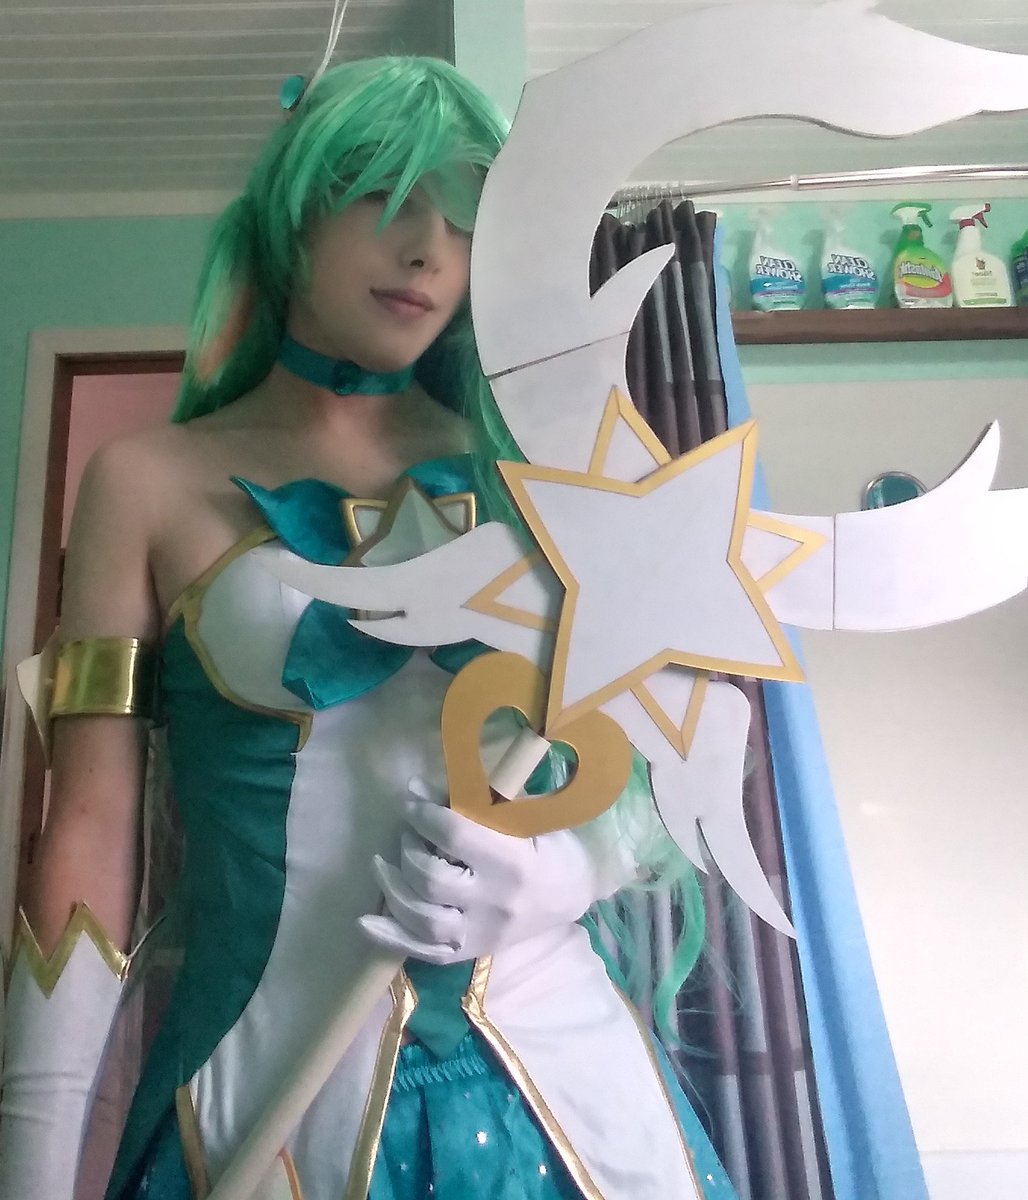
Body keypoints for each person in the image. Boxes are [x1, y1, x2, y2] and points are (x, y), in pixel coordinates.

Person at [0, 57, 737, 1200]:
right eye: (386, 195)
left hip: (574, 1103)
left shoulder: (537, 470)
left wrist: (569, 872)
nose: (427, 249)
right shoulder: (142, 482)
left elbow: (655, 757)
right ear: (294, 211)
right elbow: (88, 836)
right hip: (263, 1100)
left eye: (464, 218)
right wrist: (31, 1170)